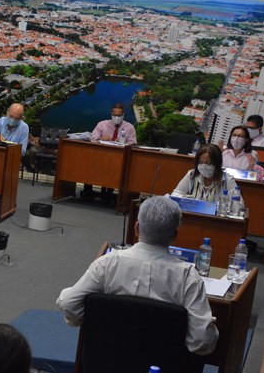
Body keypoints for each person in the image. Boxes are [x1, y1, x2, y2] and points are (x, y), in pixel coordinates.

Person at [57, 196, 218, 355]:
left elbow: (69, 304)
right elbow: (202, 340)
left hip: (104, 363)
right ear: (175, 236)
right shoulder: (188, 277)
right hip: (163, 368)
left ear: (136, 228)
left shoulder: (107, 263)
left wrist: (94, 317)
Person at [82, 102, 136, 202]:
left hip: (119, 160)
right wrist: (101, 138)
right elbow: (92, 139)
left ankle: (109, 193)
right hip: (100, 157)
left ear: (123, 114)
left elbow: (133, 144)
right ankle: (88, 192)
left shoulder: (129, 127)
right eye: (114, 115)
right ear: (111, 114)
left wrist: (123, 141)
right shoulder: (102, 124)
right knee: (90, 164)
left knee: (117, 170)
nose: (116, 117)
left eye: (119, 115)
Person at [172, 143, 242, 206]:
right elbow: (175, 194)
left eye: (209, 163)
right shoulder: (192, 174)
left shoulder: (227, 180)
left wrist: (220, 205)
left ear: (217, 164)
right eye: (201, 162)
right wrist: (185, 199)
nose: (204, 166)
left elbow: (240, 204)